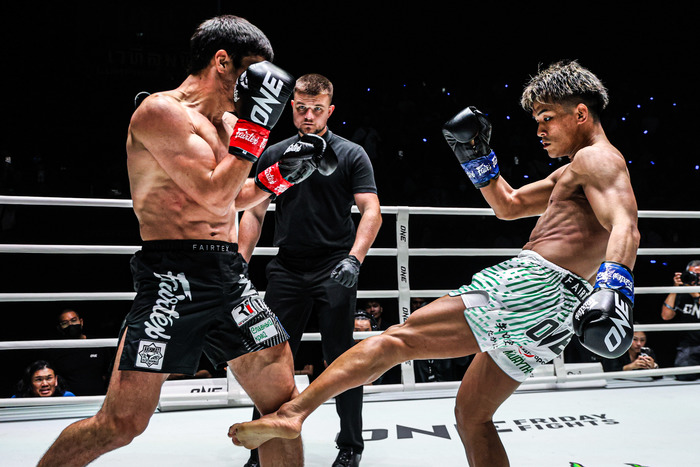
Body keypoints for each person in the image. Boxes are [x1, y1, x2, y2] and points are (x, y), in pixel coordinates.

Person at [227, 60, 640, 467]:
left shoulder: (597, 159)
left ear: (580, 113)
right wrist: (477, 155)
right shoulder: (574, 171)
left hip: (534, 284)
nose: (540, 130)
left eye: (547, 118)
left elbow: (625, 224)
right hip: (557, 313)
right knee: (473, 415)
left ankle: (292, 413)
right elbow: (509, 206)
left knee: (397, 340)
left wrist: (615, 289)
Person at [37, 15, 333, 467]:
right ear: (222, 61)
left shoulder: (230, 123)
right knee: (121, 424)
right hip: (172, 277)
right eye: (251, 72)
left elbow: (231, 197)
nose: (255, 87)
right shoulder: (161, 112)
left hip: (229, 276)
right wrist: (257, 129)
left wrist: (281, 176)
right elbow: (212, 192)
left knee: (281, 411)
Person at [238, 73, 382, 467]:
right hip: (287, 267)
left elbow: (371, 211)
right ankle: (262, 447)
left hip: (335, 265)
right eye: (301, 108)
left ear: (329, 110)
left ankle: (351, 445)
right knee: (270, 358)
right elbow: (254, 211)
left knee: (341, 359)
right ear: (291, 108)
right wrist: (239, 263)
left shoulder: (351, 153)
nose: (308, 115)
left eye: (316, 109)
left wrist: (355, 258)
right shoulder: (275, 153)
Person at [49, 309, 113, 395]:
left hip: (98, 397)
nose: (71, 325)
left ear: (81, 322)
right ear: (59, 328)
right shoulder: (57, 350)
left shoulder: (97, 344)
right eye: (65, 323)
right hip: (70, 399)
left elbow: (108, 374)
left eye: (74, 320)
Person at [661, 260, 700, 381]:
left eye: (699, 275)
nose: (696, 278)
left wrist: (695, 294)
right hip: (689, 345)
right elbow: (666, 316)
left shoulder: (690, 292)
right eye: (692, 274)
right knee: (684, 375)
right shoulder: (683, 292)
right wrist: (675, 288)